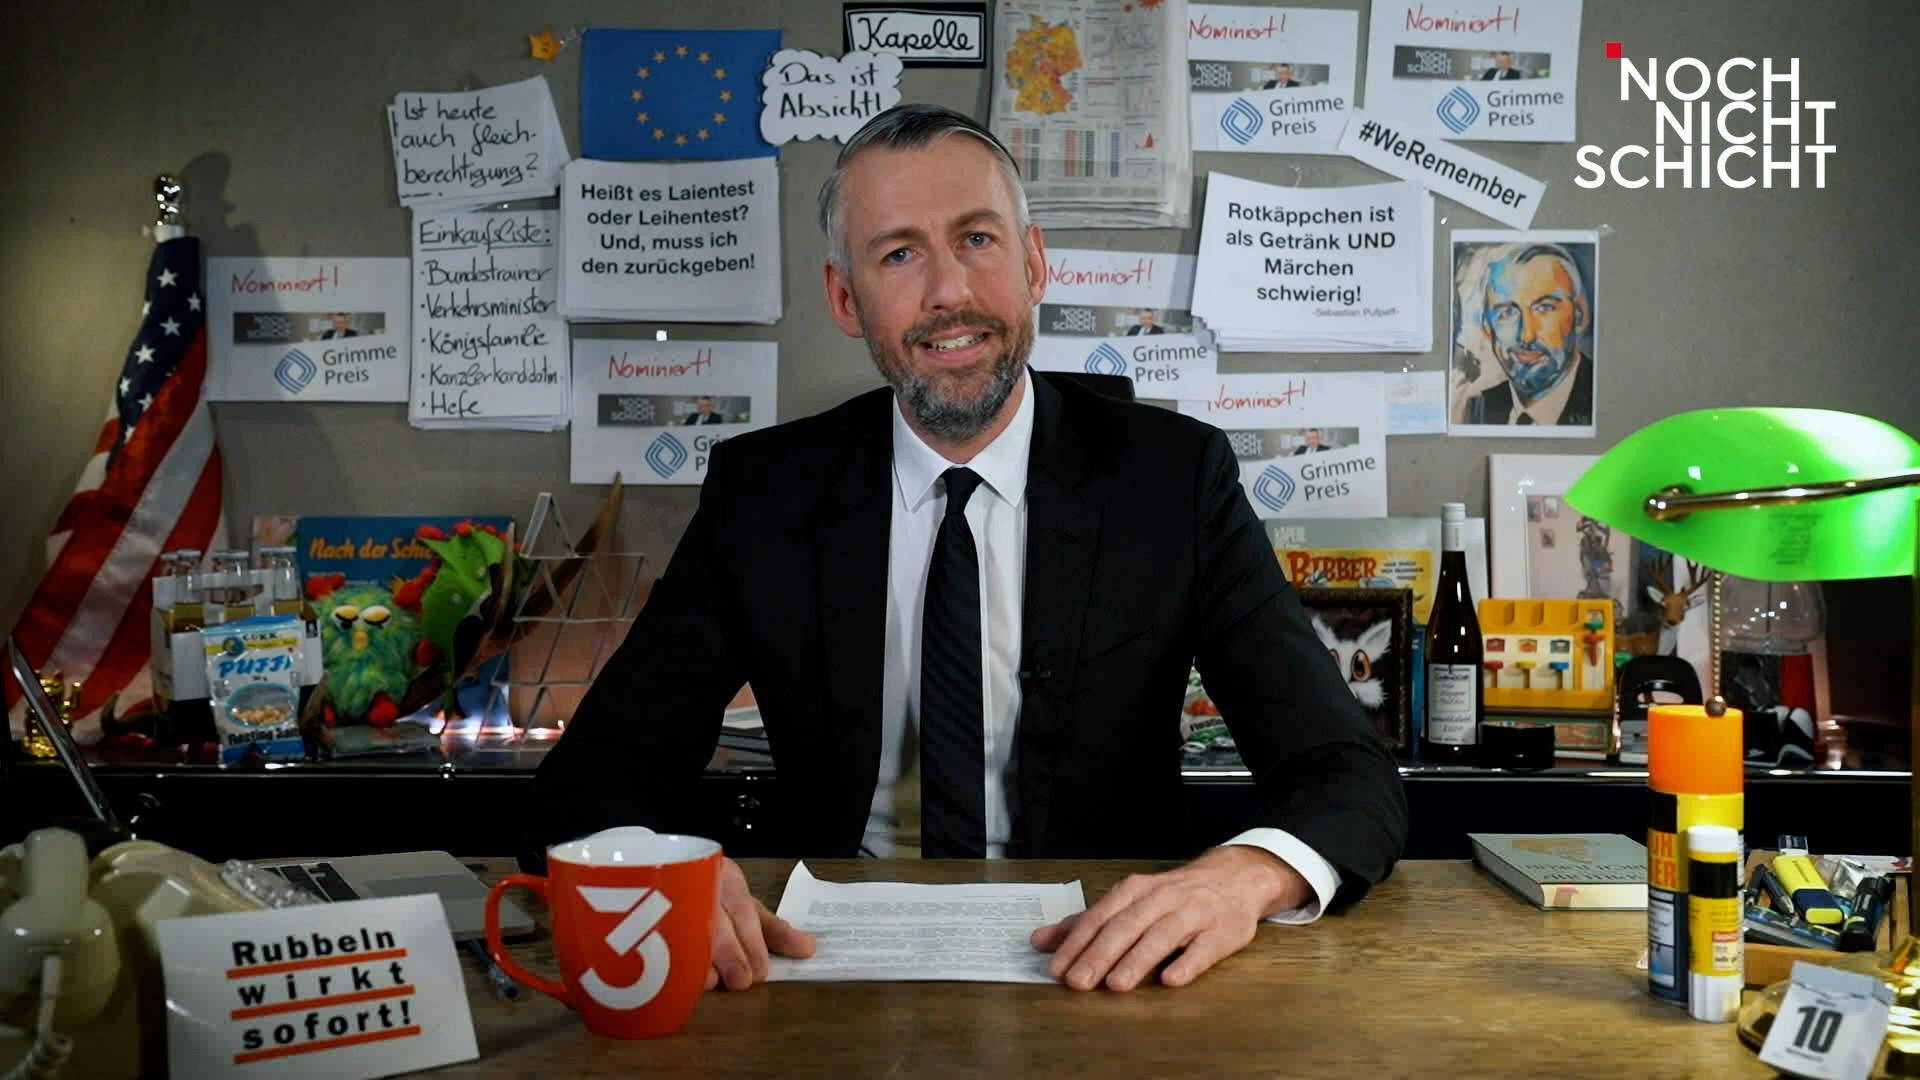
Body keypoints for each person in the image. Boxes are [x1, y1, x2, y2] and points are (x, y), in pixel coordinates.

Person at [532, 104, 1405, 996]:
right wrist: (653, 861)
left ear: (1034, 265)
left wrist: (1242, 877)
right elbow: (599, 768)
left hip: (1106, 970)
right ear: (845, 299)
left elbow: (1345, 771)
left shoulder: (1174, 480)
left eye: (978, 239)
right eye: (898, 254)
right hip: (821, 970)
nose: (948, 291)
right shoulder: (764, 493)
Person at [1458, 244, 1594, 427]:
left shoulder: (1602, 399)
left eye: (1544, 308)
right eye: (1507, 313)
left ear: (1579, 314)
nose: (1526, 336)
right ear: (1487, 327)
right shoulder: (1477, 409)